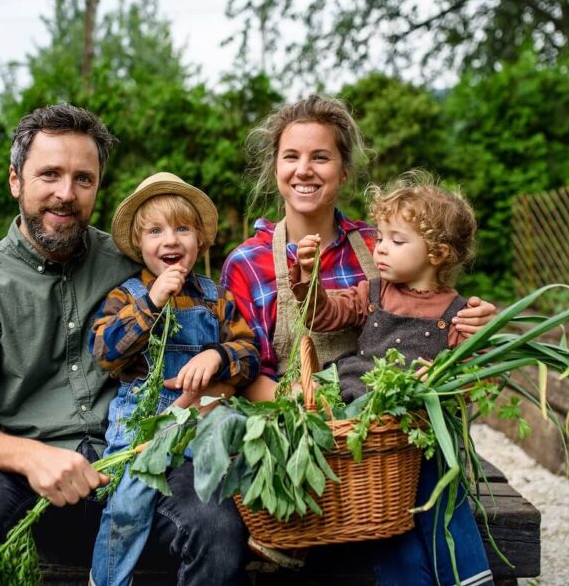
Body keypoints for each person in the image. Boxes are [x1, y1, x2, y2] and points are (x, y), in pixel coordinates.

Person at [0, 105, 248, 586]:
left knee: (216, 524)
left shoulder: (131, 262)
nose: (65, 194)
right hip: (26, 477)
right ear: (16, 180)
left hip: (140, 459)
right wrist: (32, 457)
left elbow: (217, 331)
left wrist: (214, 384)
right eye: (49, 175)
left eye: (83, 179)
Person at [213, 95, 497, 579]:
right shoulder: (247, 263)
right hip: (301, 449)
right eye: (291, 156)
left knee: (402, 546)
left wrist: (471, 325)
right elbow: (244, 373)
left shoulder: (381, 245)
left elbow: (432, 312)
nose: (305, 169)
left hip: (385, 458)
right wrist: (312, 413)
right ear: (276, 168)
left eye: (320, 156)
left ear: (344, 172)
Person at [291, 169, 494, 586]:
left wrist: (459, 365)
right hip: (368, 426)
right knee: (389, 523)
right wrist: (309, 278)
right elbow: (323, 316)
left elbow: (476, 380)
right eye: (380, 237)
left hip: (419, 433)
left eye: (397, 241)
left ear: (437, 254)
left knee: (442, 499)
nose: (381, 249)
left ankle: (468, 577)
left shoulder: (457, 313)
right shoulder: (374, 291)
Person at [89, 172, 259, 586]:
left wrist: (219, 356)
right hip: (142, 425)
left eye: (183, 229)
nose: (170, 240)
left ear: (200, 240)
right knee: (128, 503)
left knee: (233, 483)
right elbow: (105, 352)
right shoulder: (127, 295)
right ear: (139, 243)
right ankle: (107, 579)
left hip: (200, 421)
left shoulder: (216, 298)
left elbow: (250, 355)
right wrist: (152, 302)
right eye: (155, 231)